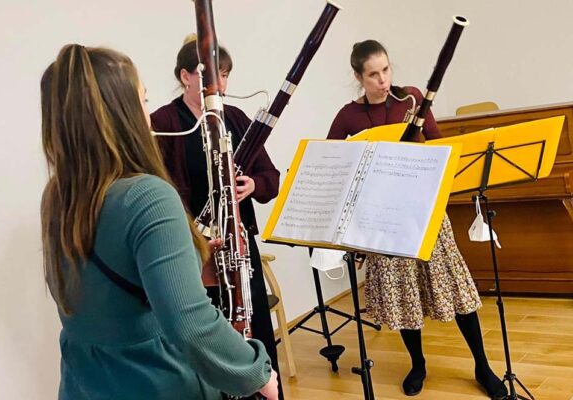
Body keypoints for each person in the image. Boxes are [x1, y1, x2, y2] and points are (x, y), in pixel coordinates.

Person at [40, 43, 278, 400]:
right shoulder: (148, 196)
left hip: (85, 383)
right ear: (122, 114)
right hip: (155, 381)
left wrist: (189, 264)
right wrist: (256, 373)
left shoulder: (59, 194)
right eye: (143, 100)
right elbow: (191, 326)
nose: (148, 114)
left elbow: (110, 292)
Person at [328, 40, 508, 399]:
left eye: (386, 70)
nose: (382, 80)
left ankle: (482, 365)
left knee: (455, 288)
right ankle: (418, 364)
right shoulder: (348, 116)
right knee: (403, 295)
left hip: (424, 211)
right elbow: (334, 165)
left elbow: (439, 147)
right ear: (358, 78)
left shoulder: (411, 99)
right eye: (373, 74)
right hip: (384, 220)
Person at [151, 36, 284, 398]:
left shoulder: (236, 118)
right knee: (210, 336)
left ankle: (263, 388)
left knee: (252, 327)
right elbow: (158, 190)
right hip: (192, 251)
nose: (221, 84)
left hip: (238, 248)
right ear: (184, 76)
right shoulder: (163, 122)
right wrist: (191, 235)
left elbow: (271, 178)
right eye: (210, 74)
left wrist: (252, 185)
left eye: (224, 74)